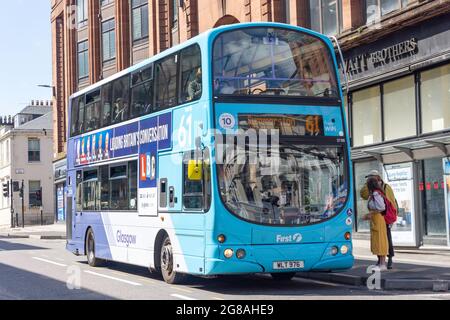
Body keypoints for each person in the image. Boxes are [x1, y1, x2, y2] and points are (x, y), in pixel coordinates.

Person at [360, 169, 397, 269]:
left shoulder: (385, 187)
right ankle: (380, 260)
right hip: (377, 218)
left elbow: (391, 202)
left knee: (385, 239)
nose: (368, 179)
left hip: (384, 217)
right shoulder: (371, 189)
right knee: (378, 239)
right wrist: (368, 185)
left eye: (370, 178)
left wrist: (391, 218)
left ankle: (388, 259)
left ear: (376, 177)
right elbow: (363, 194)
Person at [363, 176, 389, 271]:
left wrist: (371, 213)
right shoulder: (374, 194)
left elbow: (381, 207)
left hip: (378, 219)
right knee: (377, 241)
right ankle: (380, 263)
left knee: (380, 241)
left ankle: (382, 264)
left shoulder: (376, 194)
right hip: (375, 220)